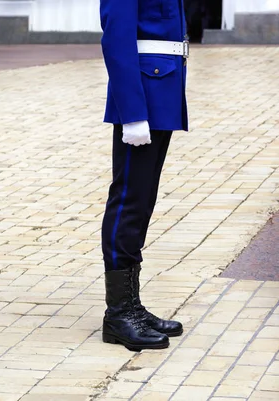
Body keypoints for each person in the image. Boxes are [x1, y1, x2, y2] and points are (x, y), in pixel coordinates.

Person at [99, 0, 188, 351]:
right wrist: (132, 111)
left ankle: (131, 305)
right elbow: (117, 38)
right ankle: (119, 314)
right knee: (129, 201)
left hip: (161, 86)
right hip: (143, 93)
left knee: (143, 199)